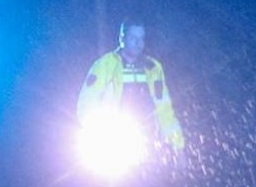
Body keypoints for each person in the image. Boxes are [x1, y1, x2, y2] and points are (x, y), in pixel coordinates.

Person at [76, 21, 184, 155]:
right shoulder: (105, 65)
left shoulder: (153, 68)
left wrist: (177, 145)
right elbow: (87, 102)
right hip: (114, 143)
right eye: (133, 38)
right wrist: (98, 133)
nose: (138, 43)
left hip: (151, 144)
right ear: (122, 39)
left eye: (141, 39)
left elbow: (164, 109)